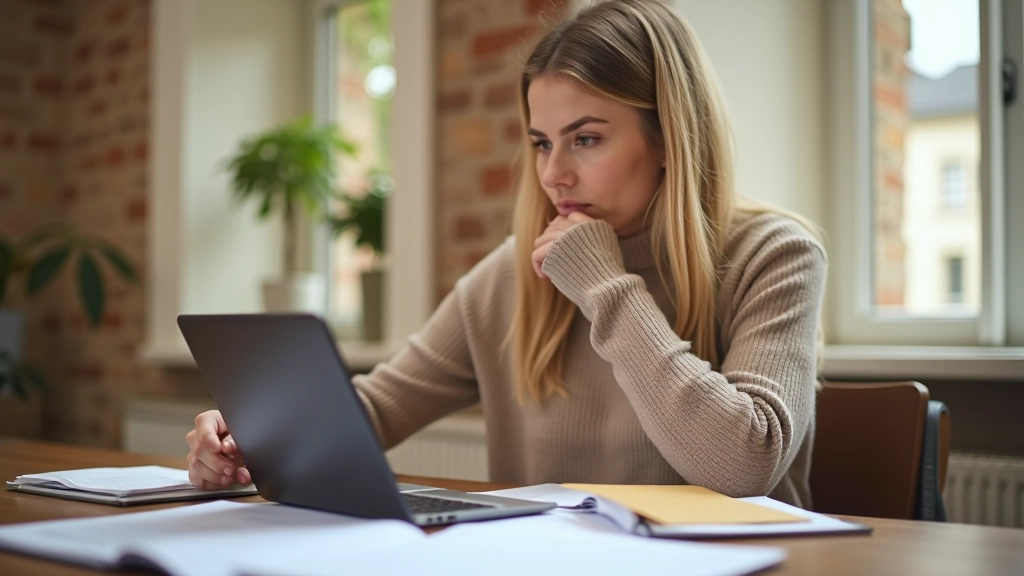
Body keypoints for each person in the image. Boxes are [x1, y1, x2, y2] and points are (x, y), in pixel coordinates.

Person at [185, 0, 827, 509]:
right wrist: (252, 436)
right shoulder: (512, 273)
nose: (554, 174)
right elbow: (375, 409)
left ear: (667, 138)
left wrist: (605, 286)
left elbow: (744, 466)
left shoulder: (775, 255)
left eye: (586, 139)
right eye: (542, 142)